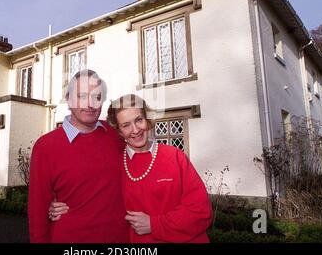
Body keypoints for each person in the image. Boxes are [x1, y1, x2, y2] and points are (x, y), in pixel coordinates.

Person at [50, 94, 213, 243]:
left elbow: (201, 212)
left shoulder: (174, 156)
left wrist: (154, 224)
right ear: (119, 131)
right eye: (126, 125)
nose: (135, 130)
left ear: (147, 119)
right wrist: (61, 207)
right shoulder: (114, 164)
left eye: (139, 120)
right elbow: (92, 199)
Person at [28, 69, 129, 243]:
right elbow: (37, 211)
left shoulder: (116, 135)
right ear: (68, 100)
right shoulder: (45, 147)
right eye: (82, 96)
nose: (90, 104)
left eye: (97, 97)